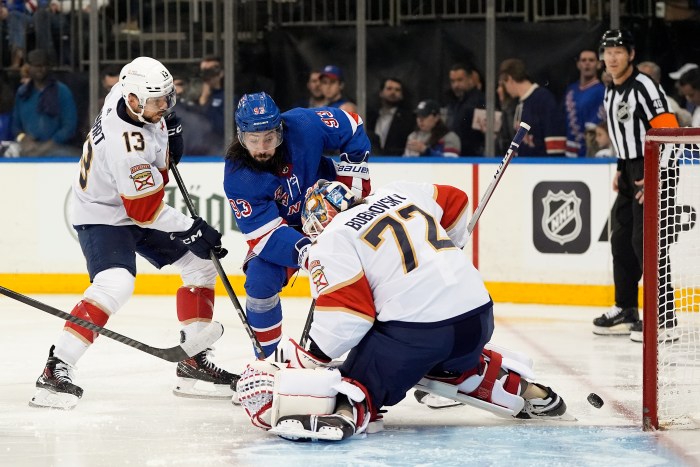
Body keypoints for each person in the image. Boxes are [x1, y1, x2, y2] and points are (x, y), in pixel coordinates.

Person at [237, 179, 570, 441]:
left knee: (355, 381)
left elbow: (347, 317)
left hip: (421, 333)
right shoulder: (400, 192)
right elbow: (456, 202)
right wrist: (443, 253)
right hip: (478, 318)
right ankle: (511, 385)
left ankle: (347, 412)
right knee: (438, 357)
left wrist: (302, 363)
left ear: (319, 220)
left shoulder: (332, 237)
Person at [30, 56, 236, 409]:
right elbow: (144, 210)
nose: (164, 106)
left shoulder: (124, 95)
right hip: (102, 214)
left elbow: (149, 186)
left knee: (200, 266)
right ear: (134, 100)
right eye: (157, 102)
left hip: (129, 202)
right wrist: (190, 228)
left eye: (167, 99)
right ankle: (56, 367)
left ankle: (193, 361)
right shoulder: (127, 147)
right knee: (116, 284)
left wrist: (167, 132)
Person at [223, 92, 371, 358]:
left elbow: (352, 124)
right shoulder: (239, 176)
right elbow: (266, 235)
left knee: (373, 270)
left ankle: (376, 352)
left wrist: (353, 187)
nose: (262, 148)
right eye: (253, 140)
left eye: (269, 138)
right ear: (240, 136)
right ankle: (268, 363)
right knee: (259, 280)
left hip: (333, 209)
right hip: (286, 230)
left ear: (280, 129)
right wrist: (310, 253)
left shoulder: (304, 124)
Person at [593, 29, 680, 343]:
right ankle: (627, 308)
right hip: (630, 170)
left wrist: (656, 176)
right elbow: (622, 136)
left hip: (654, 167)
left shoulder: (644, 86)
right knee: (620, 240)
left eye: (619, 51)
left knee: (648, 244)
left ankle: (664, 317)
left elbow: (670, 133)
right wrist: (621, 168)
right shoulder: (610, 89)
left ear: (630, 54)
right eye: (608, 51)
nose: (612, 57)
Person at [11, 48, 79, 156]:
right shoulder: (23, 92)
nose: (40, 69)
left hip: (57, 148)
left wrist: (47, 145)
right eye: (36, 65)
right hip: (29, 148)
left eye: (44, 65)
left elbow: (69, 127)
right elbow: (15, 126)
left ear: (49, 67)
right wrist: (23, 138)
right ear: (29, 67)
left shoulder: (62, 91)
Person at [498, 58, 566, 157]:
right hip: (527, 168)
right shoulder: (520, 103)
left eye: (504, 84)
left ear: (509, 79)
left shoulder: (543, 99)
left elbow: (555, 144)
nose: (506, 90)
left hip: (541, 169)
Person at [563, 49, 605, 158]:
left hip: (591, 151)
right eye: (583, 60)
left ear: (599, 64)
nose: (587, 63)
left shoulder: (602, 91)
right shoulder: (571, 90)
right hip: (569, 149)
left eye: (591, 60)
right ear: (578, 64)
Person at [365, 77, 414, 156]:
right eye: (389, 89)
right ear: (381, 93)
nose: (393, 92)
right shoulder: (371, 116)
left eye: (397, 90)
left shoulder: (409, 119)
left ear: (402, 95)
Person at [444, 63, 485, 156]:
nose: (456, 85)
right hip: (455, 156)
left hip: (473, 158)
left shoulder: (480, 101)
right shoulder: (453, 102)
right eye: (453, 81)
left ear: (470, 79)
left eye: (460, 80)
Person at [638, 61, 692, 127]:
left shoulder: (667, 102)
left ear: (656, 81)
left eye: (644, 79)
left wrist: (678, 116)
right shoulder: (626, 98)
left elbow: (685, 120)